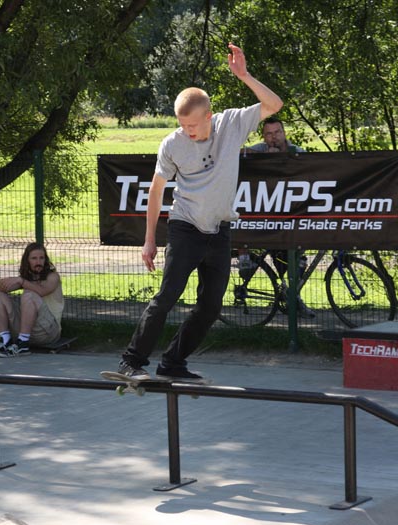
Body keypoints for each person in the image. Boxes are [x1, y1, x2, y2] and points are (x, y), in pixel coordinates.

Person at [118, 43, 283, 381]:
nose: (188, 132)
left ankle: (173, 362)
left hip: (220, 231)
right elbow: (156, 189)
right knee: (166, 298)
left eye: (193, 126)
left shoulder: (232, 124)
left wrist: (244, 75)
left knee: (210, 308)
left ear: (209, 116)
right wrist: (149, 240)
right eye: (183, 125)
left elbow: (274, 105)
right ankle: (131, 361)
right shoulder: (173, 143)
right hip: (186, 228)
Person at [248, 117, 315, 318]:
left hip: (292, 219)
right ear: (263, 137)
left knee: (297, 261)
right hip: (266, 219)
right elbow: (237, 156)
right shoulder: (258, 151)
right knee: (279, 261)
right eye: (269, 134)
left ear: (284, 132)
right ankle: (292, 300)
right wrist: (264, 161)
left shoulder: (298, 153)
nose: (273, 138)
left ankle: (292, 297)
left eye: (277, 132)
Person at [0, 242, 64, 357]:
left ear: (46, 260)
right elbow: (3, 289)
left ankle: (23, 344)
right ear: (27, 261)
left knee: (29, 295)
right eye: (34, 258)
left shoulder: (53, 277)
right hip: (25, 331)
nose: (38, 262)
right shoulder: (26, 279)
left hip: (48, 333)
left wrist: (21, 281)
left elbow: (41, 291)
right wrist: (4, 284)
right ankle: (6, 341)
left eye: (41, 258)